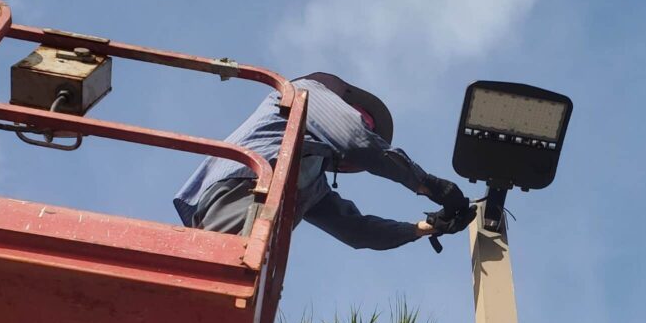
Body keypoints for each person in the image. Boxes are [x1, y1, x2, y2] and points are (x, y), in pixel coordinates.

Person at [174, 72, 475, 248]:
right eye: (362, 120)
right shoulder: (304, 92)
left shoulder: (309, 179)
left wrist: (425, 227)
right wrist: (428, 185)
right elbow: (355, 140)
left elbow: (356, 230)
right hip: (243, 187)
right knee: (223, 269)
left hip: (256, 202)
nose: (365, 128)